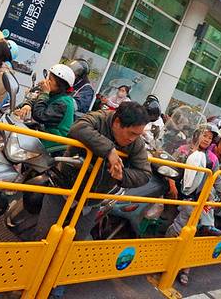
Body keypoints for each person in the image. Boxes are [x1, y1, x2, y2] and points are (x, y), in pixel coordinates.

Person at [34, 101, 152, 241]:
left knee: (75, 241)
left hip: (93, 199)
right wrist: (109, 150)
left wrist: (122, 175)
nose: (133, 139)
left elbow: (145, 173)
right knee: (44, 236)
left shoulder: (136, 143)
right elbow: (78, 128)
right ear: (117, 122)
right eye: (131, 133)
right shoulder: (99, 118)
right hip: (64, 187)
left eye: (138, 135)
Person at [165, 124, 221, 286]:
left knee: (190, 231)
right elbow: (169, 167)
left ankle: (184, 268)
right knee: (180, 226)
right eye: (204, 135)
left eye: (210, 137)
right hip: (177, 195)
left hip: (196, 200)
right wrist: (171, 185)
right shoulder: (183, 150)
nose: (207, 140)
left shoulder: (212, 159)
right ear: (197, 134)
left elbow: (217, 180)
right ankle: (164, 256)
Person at [14, 64, 76, 149]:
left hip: (53, 144)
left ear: (60, 85)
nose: (46, 81)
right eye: (47, 78)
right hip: (44, 135)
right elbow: (36, 99)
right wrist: (27, 105)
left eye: (50, 80)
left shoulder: (63, 103)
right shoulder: (54, 95)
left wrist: (44, 93)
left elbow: (40, 115)